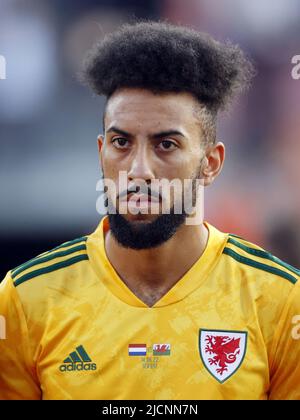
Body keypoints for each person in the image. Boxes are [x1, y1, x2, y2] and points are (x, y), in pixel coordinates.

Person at [0, 21, 299, 400]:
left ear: (210, 163)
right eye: (121, 142)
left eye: (166, 145)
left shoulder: (281, 301)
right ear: (100, 152)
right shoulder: (25, 300)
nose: (139, 170)